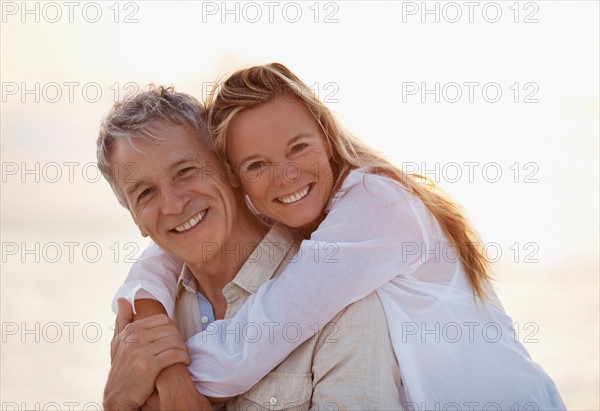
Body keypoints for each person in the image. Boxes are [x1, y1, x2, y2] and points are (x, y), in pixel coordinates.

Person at [114, 64, 565, 409]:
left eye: (298, 147)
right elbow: (165, 248)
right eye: (257, 164)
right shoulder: (293, 200)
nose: (285, 175)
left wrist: (163, 379)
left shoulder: (375, 205)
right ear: (238, 177)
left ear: (326, 137)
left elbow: (256, 340)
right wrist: (148, 310)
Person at [97, 85, 403, 410]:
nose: (173, 204)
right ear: (137, 221)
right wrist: (118, 401)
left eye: (185, 171)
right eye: (145, 193)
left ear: (230, 169)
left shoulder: (341, 303)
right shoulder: (145, 327)